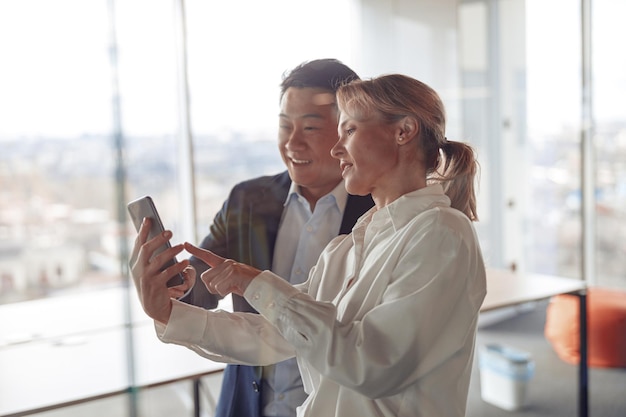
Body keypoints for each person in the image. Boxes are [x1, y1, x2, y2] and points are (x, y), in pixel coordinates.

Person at [130, 74, 487, 417]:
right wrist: (168, 313)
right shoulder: (347, 249)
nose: (336, 147)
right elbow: (273, 333)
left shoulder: (443, 232)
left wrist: (255, 283)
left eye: (348, 130)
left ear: (403, 131)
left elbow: (372, 364)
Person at [176, 59, 374, 417]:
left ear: (349, 131)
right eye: (284, 126)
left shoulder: (378, 212)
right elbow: (198, 289)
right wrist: (172, 283)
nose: (292, 143)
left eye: (310, 128)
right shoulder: (247, 200)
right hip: (247, 405)